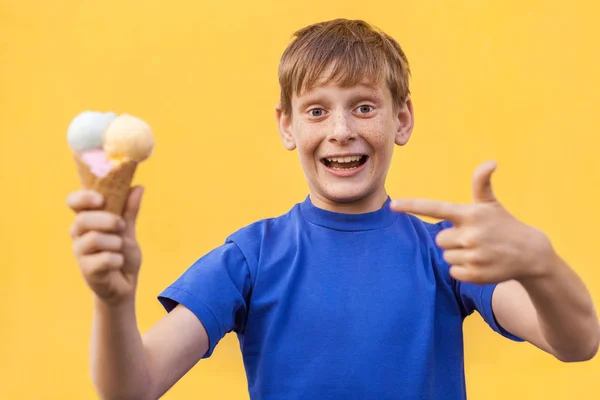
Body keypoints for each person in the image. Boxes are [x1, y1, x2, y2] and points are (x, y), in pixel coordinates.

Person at [67, 18, 599, 400]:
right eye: (316, 111)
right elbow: (132, 388)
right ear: (287, 126)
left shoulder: (447, 253)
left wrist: (541, 264)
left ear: (402, 120)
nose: (341, 131)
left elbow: (577, 343)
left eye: (364, 107)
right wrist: (112, 302)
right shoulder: (248, 258)